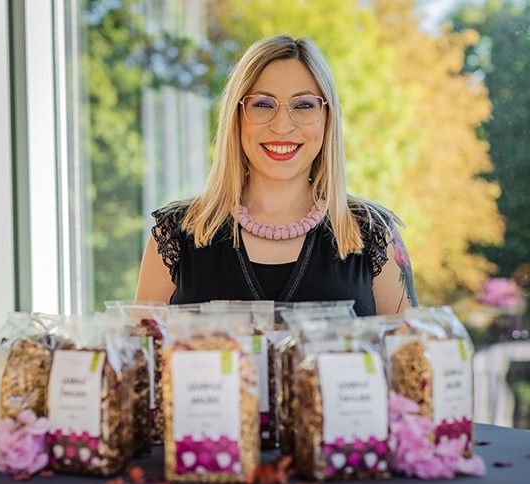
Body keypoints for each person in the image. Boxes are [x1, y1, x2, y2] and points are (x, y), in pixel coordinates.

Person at [135, 34, 418, 315]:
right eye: (262, 104)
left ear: (327, 118)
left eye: (304, 105)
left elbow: (409, 355)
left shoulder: (374, 232)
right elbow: (139, 355)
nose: (282, 126)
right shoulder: (175, 234)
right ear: (236, 117)